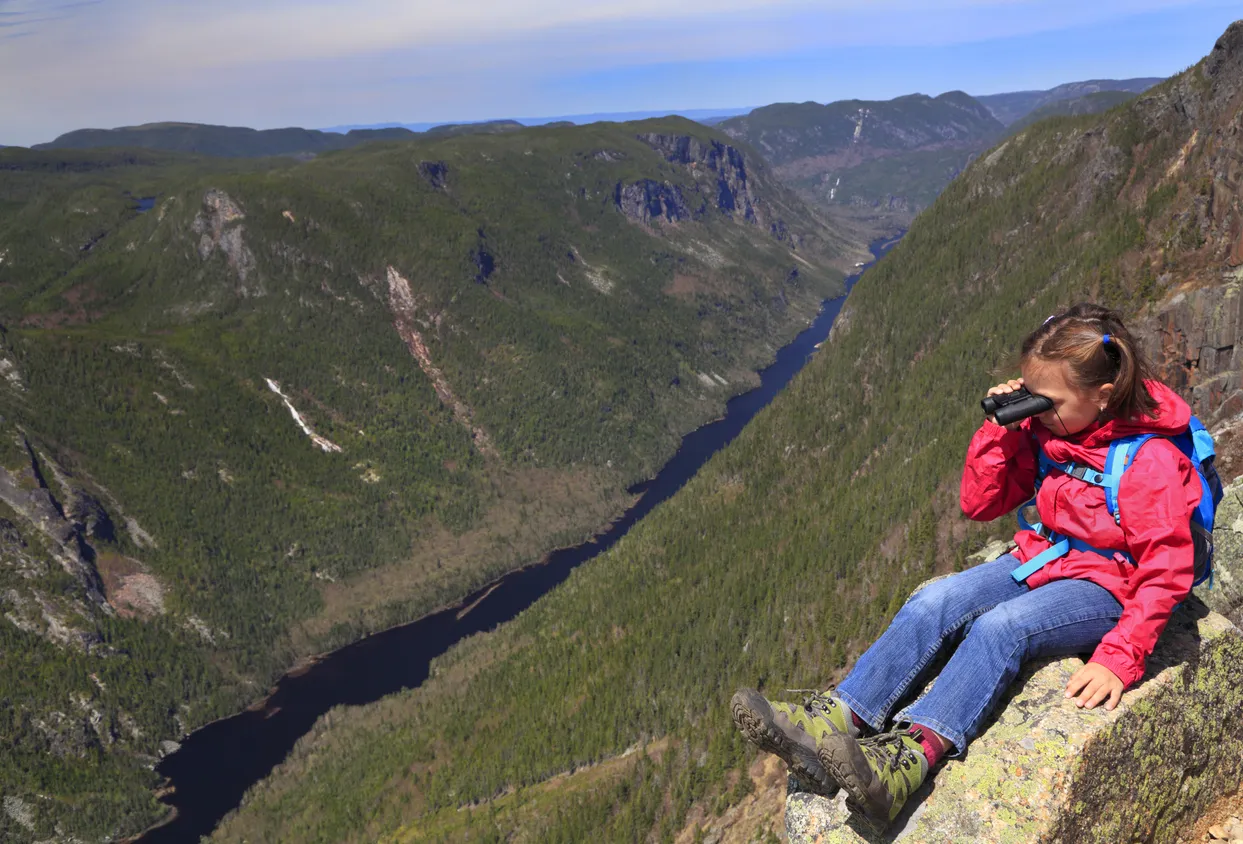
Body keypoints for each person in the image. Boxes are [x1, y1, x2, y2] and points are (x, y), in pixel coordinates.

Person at [731, 303, 1203, 826]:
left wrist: (1121, 655)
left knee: (1001, 628)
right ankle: (837, 719)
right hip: (1043, 557)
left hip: (1109, 587)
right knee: (936, 599)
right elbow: (979, 504)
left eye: (1048, 401)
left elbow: (1165, 568)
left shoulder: (1149, 460)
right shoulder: (1055, 430)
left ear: (1104, 395)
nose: (1037, 409)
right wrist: (1003, 429)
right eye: (1030, 393)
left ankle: (907, 760)